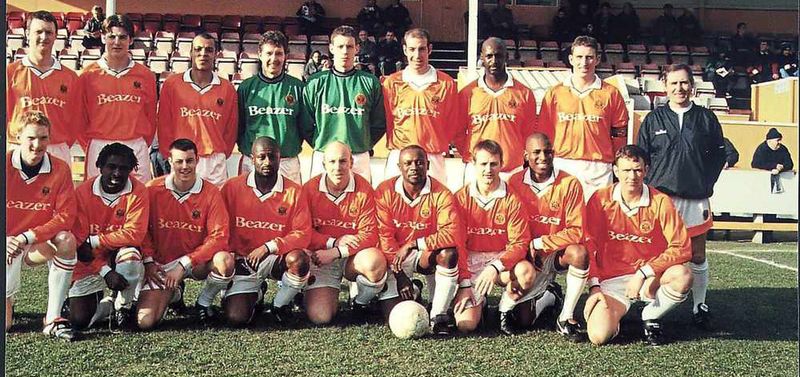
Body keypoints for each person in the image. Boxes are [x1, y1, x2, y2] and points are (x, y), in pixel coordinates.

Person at [637, 64, 726, 330]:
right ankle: (651, 303)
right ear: (665, 87)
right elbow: (642, 158)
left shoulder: (706, 118)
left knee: (697, 254)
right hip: (661, 199)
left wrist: (704, 182)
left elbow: (718, 156)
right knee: (656, 251)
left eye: (684, 83)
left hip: (695, 198)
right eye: (674, 84)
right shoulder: (653, 120)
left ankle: (700, 305)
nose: (680, 89)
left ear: (693, 87)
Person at [583, 145, 693, 346]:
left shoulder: (661, 202)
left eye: (637, 170)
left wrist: (642, 273)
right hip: (612, 280)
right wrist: (594, 286)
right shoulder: (600, 200)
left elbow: (682, 247)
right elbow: (589, 245)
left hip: (649, 279)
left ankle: (650, 315)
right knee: (598, 336)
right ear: (616, 171)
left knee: (682, 275)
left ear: (646, 170)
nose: (631, 176)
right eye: (626, 170)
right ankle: (616, 316)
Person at [216, 137, 312, 327]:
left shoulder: (295, 191)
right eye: (261, 157)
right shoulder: (232, 187)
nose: (267, 162)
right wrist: (231, 254)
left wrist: (269, 246)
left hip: (276, 258)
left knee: (299, 260)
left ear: (279, 158)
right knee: (236, 317)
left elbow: (303, 233)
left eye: (272, 157)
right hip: (245, 261)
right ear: (252, 159)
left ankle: (280, 305)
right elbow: (219, 227)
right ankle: (257, 292)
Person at [136, 139, 230, 330]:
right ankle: (175, 293)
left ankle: (203, 302)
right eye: (179, 161)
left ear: (197, 161)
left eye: (190, 160)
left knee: (224, 261)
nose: (185, 166)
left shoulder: (211, 192)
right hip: (162, 265)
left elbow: (219, 237)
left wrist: (184, 263)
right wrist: (149, 262)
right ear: (169, 161)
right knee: (145, 322)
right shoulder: (151, 189)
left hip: (195, 262)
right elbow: (141, 230)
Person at [374, 146, 469, 334]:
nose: (414, 167)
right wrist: (400, 275)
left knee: (448, 254)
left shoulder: (442, 193)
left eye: (419, 162)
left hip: (425, 253)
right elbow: (385, 237)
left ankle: (438, 315)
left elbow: (451, 233)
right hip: (395, 257)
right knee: (393, 315)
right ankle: (415, 291)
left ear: (427, 165)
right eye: (408, 163)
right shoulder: (384, 191)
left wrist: (414, 244)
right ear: (399, 166)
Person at [507, 133, 589, 341]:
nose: (543, 156)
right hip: (527, 257)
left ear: (554, 153)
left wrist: (541, 243)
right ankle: (550, 295)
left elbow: (576, 230)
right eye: (536, 152)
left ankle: (566, 316)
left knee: (579, 253)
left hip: (555, 253)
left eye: (547, 151)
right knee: (523, 320)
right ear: (526, 155)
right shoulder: (514, 182)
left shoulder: (570, 183)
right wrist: (525, 247)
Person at [6, 111, 78, 340]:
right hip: (7, 244)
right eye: (31, 138)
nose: (37, 145)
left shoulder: (60, 168)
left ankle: (53, 318)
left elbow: (66, 216)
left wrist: (28, 236)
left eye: (43, 138)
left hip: (34, 243)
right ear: (18, 137)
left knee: (66, 240)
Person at [300, 142, 387, 325]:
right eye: (332, 162)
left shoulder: (364, 189)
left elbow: (370, 234)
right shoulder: (308, 190)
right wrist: (333, 242)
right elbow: (303, 231)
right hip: (322, 257)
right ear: (324, 164)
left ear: (351, 162)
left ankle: (361, 302)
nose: (337, 167)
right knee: (320, 317)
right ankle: (308, 293)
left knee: (374, 262)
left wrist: (337, 251)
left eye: (342, 161)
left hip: (352, 257)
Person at [453, 140, 533, 335]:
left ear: (501, 164)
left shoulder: (512, 198)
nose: (488, 169)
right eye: (483, 164)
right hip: (471, 260)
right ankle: (478, 302)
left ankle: (503, 310)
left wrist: (495, 266)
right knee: (465, 324)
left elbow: (520, 243)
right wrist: (464, 284)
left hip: (501, 262)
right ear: (473, 163)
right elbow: (458, 245)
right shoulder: (461, 198)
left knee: (525, 272)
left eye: (493, 164)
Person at [68, 143, 148, 331]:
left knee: (130, 254)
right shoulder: (82, 193)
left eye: (123, 168)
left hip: (121, 257)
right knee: (80, 321)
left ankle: (123, 307)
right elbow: (81, 245)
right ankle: (108, 305)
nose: (117, 173)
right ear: (100, 166)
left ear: (131, 170)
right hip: (91, 262)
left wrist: (96, 240)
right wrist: (105, 272)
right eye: (111, 167)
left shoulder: (138, 191)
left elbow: (135, 234)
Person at [538, 35, 629, 200]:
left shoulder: (612, 94)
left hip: (599, 169)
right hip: (563, 164)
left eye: (589, 57)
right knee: (563, 221)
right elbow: (544, 134)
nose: (584, 62)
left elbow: (619, 137)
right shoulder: (554, 93)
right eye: (579, 57)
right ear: (571, 59)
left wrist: (618, 166)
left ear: (597, 59)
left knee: (597, 222)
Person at [72, 14, 157, 183]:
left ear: (131, 40)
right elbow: (79, 118)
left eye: (122, 37)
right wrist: (91, 144)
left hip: (136, 145)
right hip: (100, 144)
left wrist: (139, 140)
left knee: (138, 197)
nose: (117, 42)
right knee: (97, 200)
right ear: (103, 38)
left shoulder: (145, 75)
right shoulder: (87, 75)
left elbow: (150, 116)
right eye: (111, 36)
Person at [302, 26, 386, 182]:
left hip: (359, 154)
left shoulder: (370, 82)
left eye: (349, 46)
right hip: (324, 154)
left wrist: (363, 142)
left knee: (360, 202)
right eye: (340, 46)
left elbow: (379, 123)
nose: (345, 51)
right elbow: (305, 122)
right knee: (319, 202)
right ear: (331, 48)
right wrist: (320, 143)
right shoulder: (315, 82)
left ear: (357, 48)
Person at [157, 33, 238, 186]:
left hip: (214, 161)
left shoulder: (227, 88)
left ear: (216, 54)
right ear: (191, 53)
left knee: (213, 207)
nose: (203, 54)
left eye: (208, 50)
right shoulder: (172, 84)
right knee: (182, 207)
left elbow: (231, 129)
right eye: (198, 49)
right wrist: (173, 155)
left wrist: (221, 152)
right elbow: (164, 124)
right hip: (183, 159)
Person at [382, 28, 458, 185]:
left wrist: (434, 142)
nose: (417, 55)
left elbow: (452, 123)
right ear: (404, 50)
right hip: (400, 154)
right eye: (412, 49)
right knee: (396, 205)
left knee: (435, 205)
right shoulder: (391, 83)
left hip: (432, 156)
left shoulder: (446, 83)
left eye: (422, 49)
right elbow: (387, 119)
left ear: (429, 49)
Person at [456, 38, 537, 185]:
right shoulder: (468, 93)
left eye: (499, 56)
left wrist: (516, 156)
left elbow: (529, 134)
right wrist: (472, 156)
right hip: (477, 171)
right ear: (482, 57)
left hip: (512, 170)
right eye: (489, 56)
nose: (494, 60)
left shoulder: (524, 93)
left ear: (506, 57)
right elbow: (458, 132)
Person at [6, 10, 79, 165]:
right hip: (20, 147)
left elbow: (76, 120)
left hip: (57, 149)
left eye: (49, 32)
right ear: (27, 34)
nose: (44, 37)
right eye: (38, 32)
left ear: (56, 36)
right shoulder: (10, 73)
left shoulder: (70, 77)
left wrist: (60, 142)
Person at [238, 31, 307, 184]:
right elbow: (239, 126)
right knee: (248, 207)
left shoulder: (298, 88)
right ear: (260, 54)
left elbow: (305, 127)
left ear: (285, 56)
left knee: (290, 207)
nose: (273, 59)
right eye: (269, 53)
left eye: (279, 54)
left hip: (287, 162)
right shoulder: (246, 88)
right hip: (253, 162)